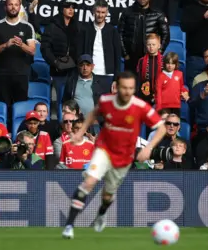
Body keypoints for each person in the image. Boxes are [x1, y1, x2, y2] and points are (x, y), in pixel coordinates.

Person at [61, 72, 166, 238]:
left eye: (131, 88)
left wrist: (149, 148)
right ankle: (69, 226)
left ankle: (102, 213)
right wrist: (80, 132)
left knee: (107, 195)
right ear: (116, 87)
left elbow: (162, 128)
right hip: (104, 150)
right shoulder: (106, 101)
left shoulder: (140, 106)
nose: (127, 92)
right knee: (89, 182)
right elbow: (94, 113)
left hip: (124, 157)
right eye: (124, 88)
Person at [0, 0, 36, 110]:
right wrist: (5, 45)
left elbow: (32, 51)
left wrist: (21, 44)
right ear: (5, 7)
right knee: (2, 108)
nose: (13, 7)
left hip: (21, 76)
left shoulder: (27, 27)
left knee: (20, 108)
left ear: (20, 7)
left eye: (16, 4)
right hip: (2, 75)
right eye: (10, 4)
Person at [118, 0, 169, 73]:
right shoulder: (127, 13)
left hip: (150, 58)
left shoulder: (158, 14)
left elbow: (166, 34)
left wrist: (159, 52)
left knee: (149, 85)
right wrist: (125, 54)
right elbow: (119, 34)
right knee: (131, 85)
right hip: (131, 58)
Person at [41, 0, 79, 81]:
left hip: (73, 71)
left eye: (73, 7)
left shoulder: (76, 27)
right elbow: (45, 48)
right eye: (68, 7)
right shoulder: (52, 26)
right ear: (61, 9)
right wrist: (55, 62)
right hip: (56, 71)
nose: (71, 9)